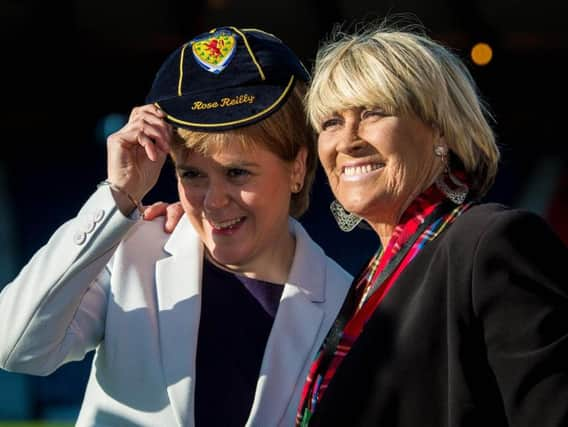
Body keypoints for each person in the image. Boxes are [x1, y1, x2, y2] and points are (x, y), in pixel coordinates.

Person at [148, 19, 568, 426]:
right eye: (331, 122)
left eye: (374, 112)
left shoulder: (489, 243)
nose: (347, 140)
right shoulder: (366, 282)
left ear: (440, 130)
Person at [0, 26, 352, 427]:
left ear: (298, 168)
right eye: (192, 174)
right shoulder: (134, 250)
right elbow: (16, 346)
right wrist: (119, 196)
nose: (213, 201)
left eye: (237, 173)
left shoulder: (347, 306)